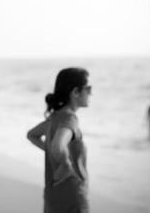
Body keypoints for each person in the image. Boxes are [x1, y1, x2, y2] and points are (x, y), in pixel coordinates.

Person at [27, 68, 91, 213]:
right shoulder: (70, 119)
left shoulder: (55, 117)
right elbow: (58, 145)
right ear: (75, 92)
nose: (90, 93)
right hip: (73, 197)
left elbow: (32, 135)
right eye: (88, 88)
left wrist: (49, 149)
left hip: (52, 194)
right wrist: (66, 164)